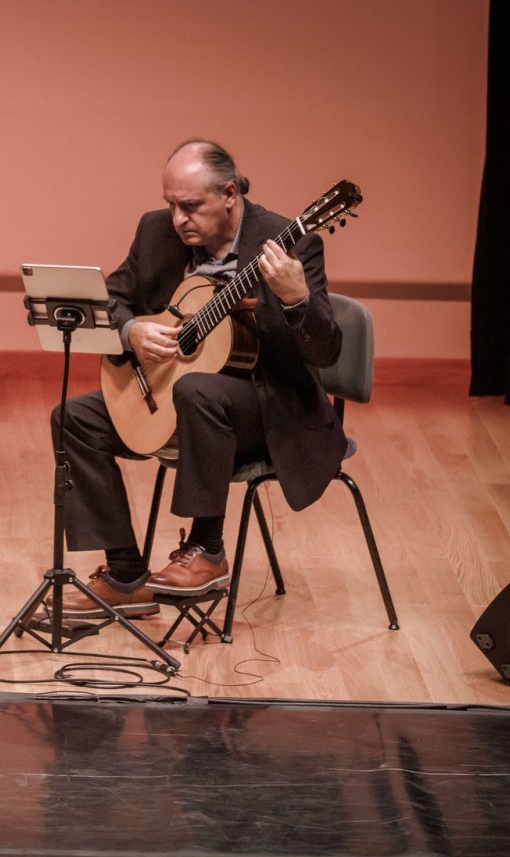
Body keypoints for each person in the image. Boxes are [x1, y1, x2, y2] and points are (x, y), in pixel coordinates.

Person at [44, 140, 344, 621]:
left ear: (229, 194)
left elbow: (326, 349)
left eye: (190, 206)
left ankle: (207, 550)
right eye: (171, 204)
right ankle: (124, 575)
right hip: (178, 395)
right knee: (73, 417)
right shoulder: (155, 231)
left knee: (196, 390)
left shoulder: (290, 241)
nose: (178, 218)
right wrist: (132, 331)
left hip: (266, 406)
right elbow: (110, 301)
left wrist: (295, 300)